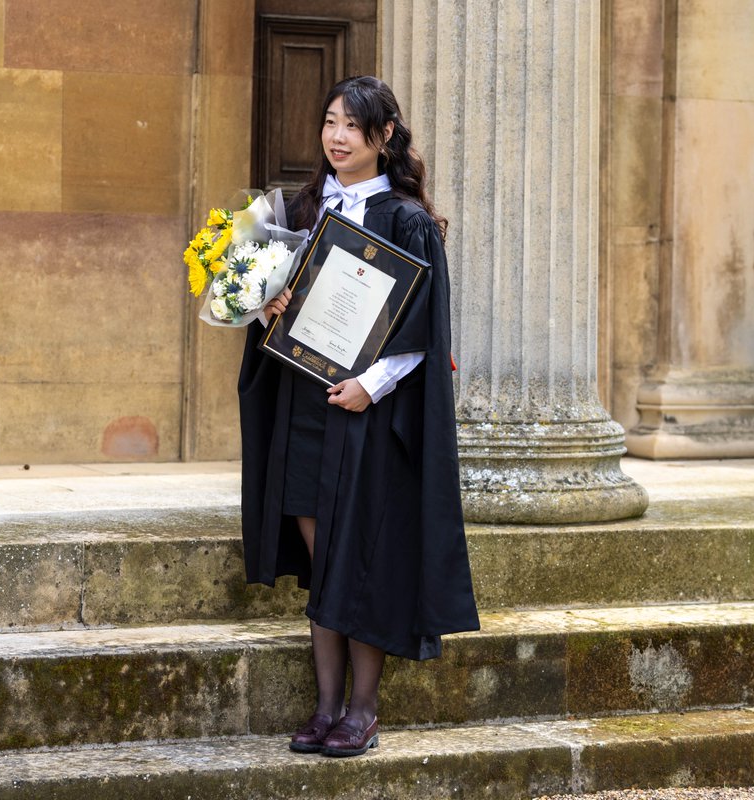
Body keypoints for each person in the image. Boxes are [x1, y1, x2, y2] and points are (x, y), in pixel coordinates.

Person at [238, 75, 479, 759]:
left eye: (353, 126)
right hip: (303, 406)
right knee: (325, 562)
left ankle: (363, 710)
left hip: (365, 414)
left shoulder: (405, 218)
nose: (337, 137)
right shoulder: (299, 206)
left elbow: (424, 330)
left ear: (385, 137)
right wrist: (266, 307)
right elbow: (270, 301)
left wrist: (371, 386)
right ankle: (324, 707)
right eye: (329, 122)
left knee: (360, 559)